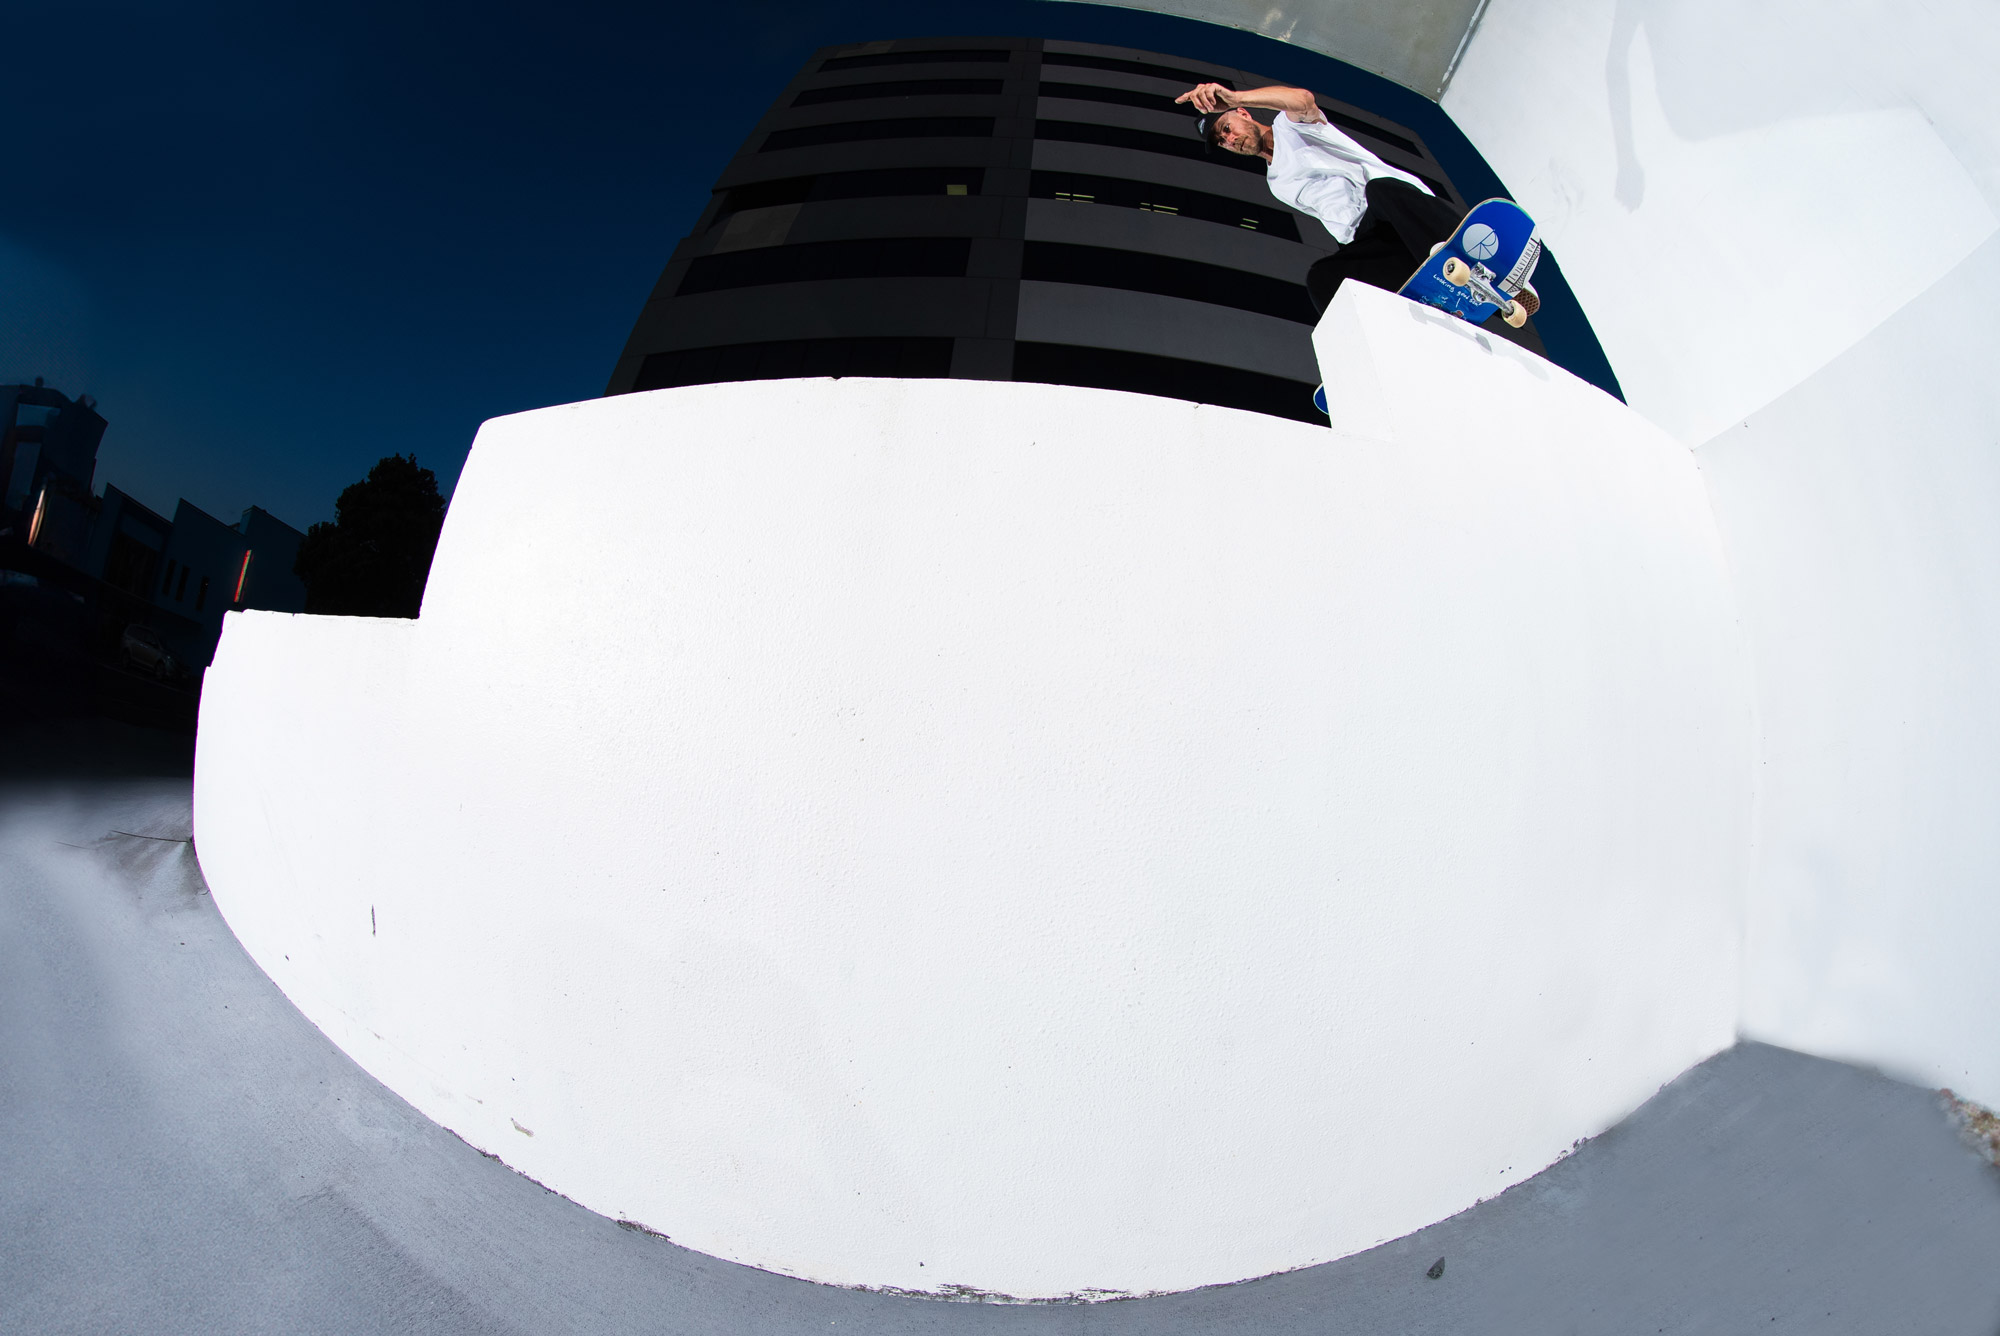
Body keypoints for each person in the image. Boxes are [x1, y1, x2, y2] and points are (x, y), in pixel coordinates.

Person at [1174, 82, 1537, 317]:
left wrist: (1236, 95)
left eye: (1227, 127)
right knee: (1322, 277)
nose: (1230, 139)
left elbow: (1303, 100)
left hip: (1399, 212)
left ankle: (1487, 269)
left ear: (1243, 114)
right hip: (1370, 240)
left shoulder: (1291, 126)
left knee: (1380, 188)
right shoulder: (1276, 184)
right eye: (1222, 141)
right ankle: (1379, 338)